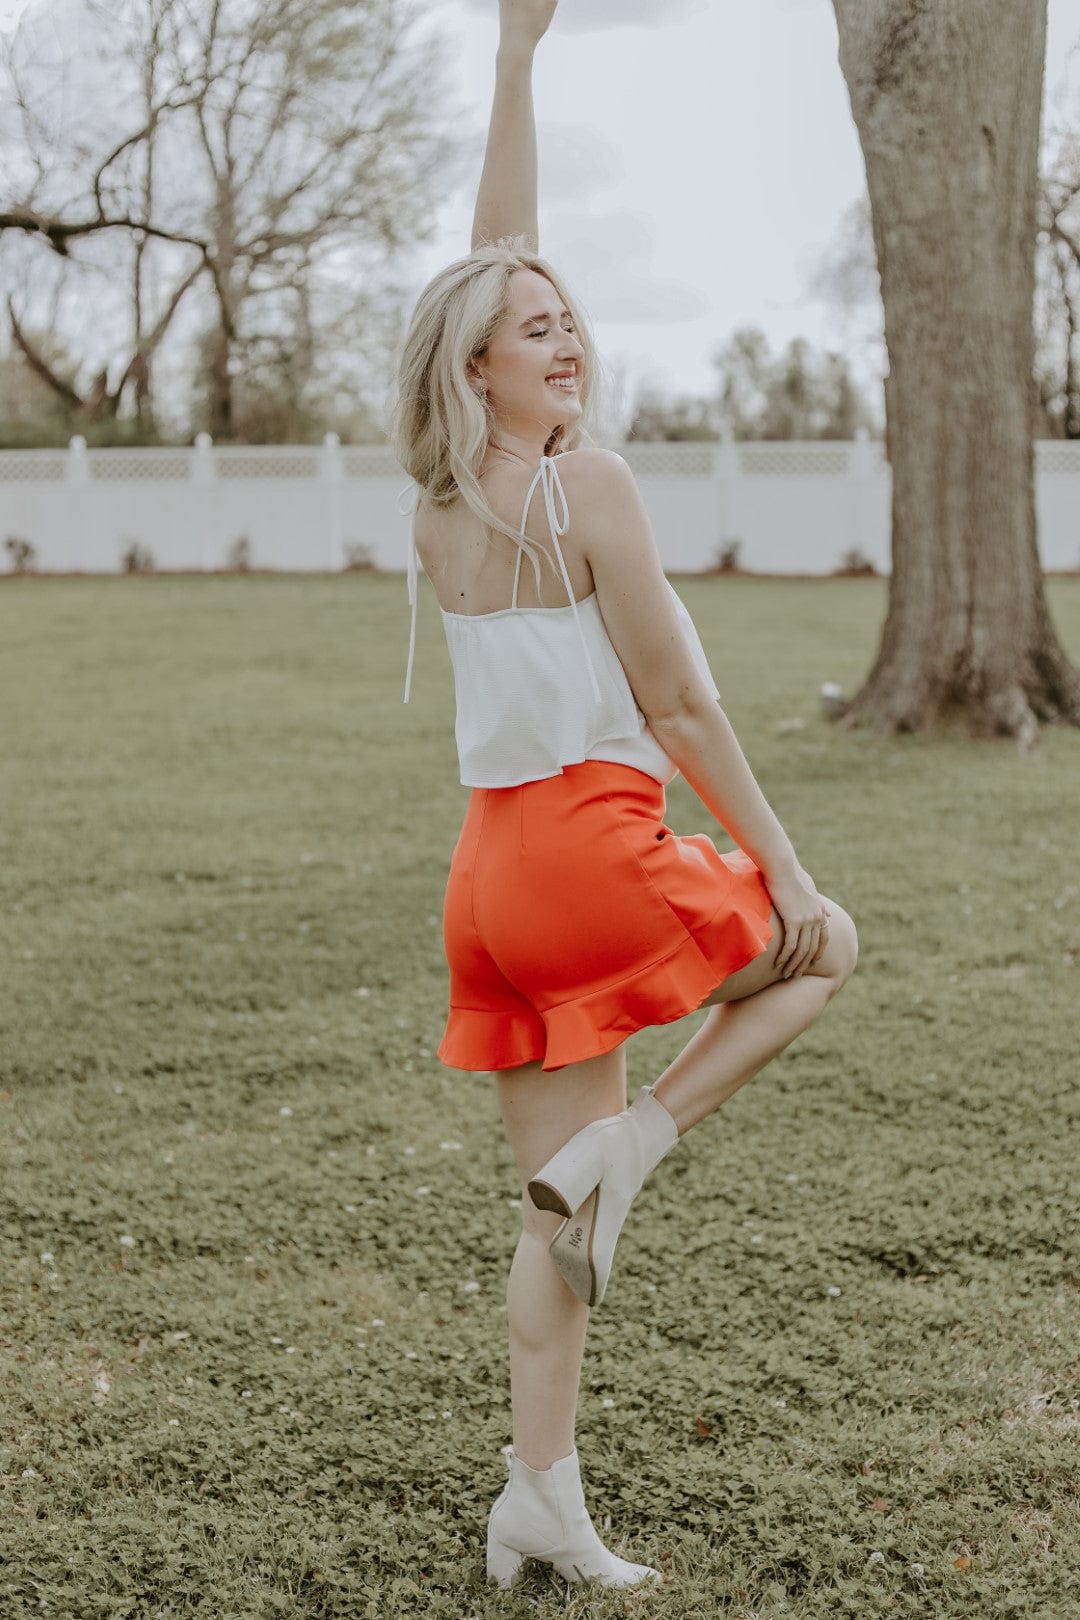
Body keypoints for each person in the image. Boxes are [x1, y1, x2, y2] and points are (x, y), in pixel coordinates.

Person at [388, 0, 858, 1590]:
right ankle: (644, 1142)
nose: (567, 337)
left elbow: (486, 265)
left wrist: (517, 58)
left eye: (574, 316)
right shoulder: (590, 483)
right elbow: (677, 702)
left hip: (488, 884)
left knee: (553, 1225)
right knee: (829, 953)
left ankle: (540, 1497)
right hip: (593, 847)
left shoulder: (445, 497)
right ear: (479, 364)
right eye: (538, 332)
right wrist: (784, 868)